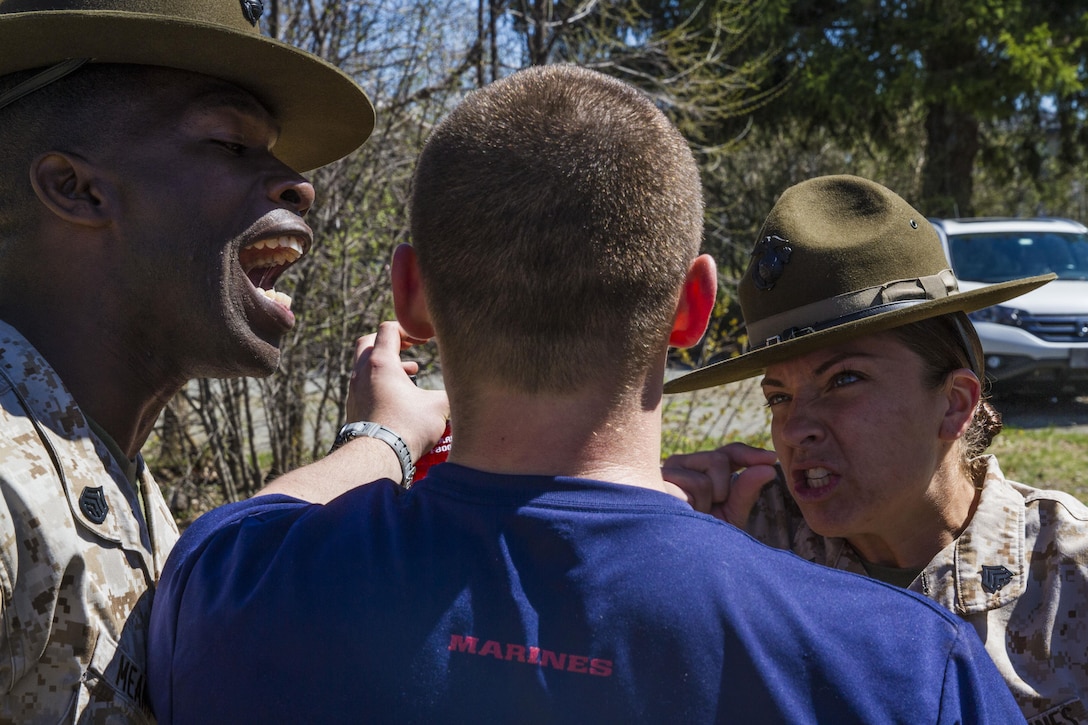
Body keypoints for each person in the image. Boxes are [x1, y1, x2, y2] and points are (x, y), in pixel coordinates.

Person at [147, 65, 1021, 723]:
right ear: (693, 308)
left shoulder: (235, 591)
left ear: (411, 296)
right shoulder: (906, 667)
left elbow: (228, 534)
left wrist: (376, 440)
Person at [0, 1, 446, 721]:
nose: (298, 183)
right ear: (76, 188)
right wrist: (382, 445)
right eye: (230, 143)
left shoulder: (124, 488)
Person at [662, 174, 1088, 721]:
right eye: (779, 397)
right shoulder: (748, 545)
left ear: (955, 403)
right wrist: (663, 533)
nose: (795, 431)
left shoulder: (1066, 574)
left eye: (844, 380)